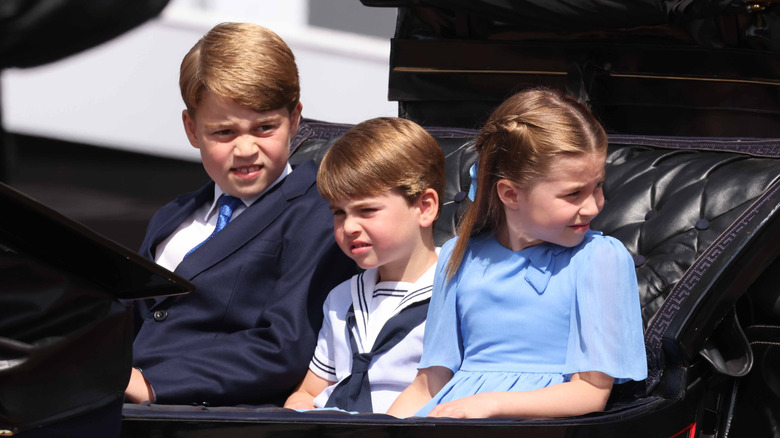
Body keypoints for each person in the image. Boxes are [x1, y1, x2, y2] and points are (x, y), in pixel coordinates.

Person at [125, 22, 358, 406]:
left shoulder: (321, 212)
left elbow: (286, 345)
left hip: (214, 416)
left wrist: (152, 384)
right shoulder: (173, 215)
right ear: (191, 129)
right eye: (224, 133)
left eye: (265, 127)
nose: (246, 148)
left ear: (295, 119)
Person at [387, 88, 647, 419]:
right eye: (573, 194)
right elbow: (429, 384)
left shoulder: (600, 258)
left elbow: (591, 391)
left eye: (597, 186)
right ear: (511, 193)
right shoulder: (458, 256)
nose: (594, 205)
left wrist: (489, 404)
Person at [283, 117, 445, 414]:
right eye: (339, 213)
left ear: (425, 207)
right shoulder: (340, 299)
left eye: (366, 210)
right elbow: (310, 391)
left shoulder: (454, 294)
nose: (350, 226)